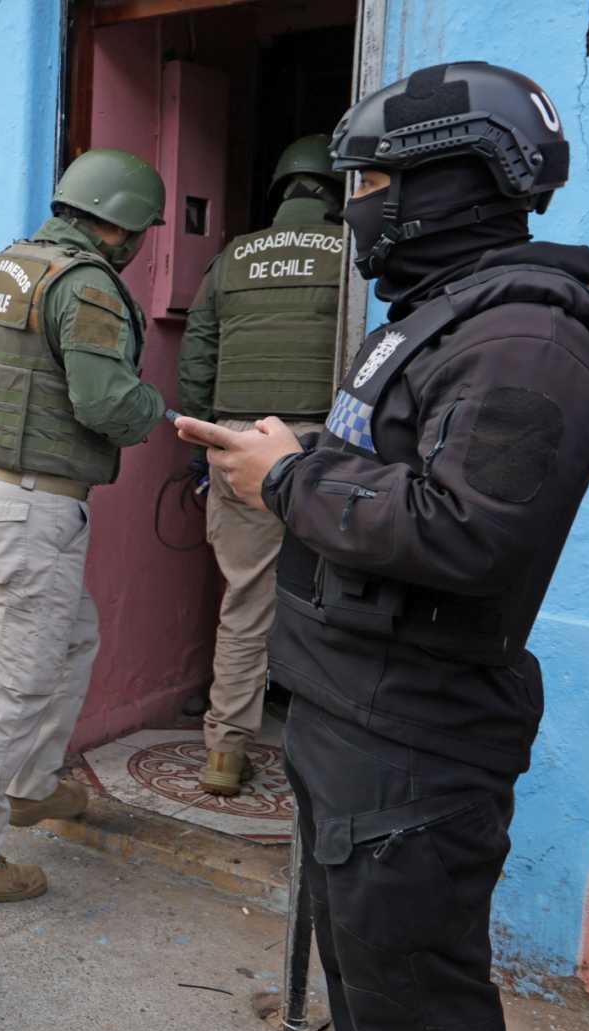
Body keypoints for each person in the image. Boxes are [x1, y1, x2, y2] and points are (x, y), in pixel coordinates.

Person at [176, 62, 589, 1031]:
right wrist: (288, 455)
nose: (357, 208)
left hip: (414, 737)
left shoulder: (525, 342)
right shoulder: (436, 316)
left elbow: (468, 529)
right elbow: (386, 461)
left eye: (374, 184)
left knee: (415, 1016)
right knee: (368, 994)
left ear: (449, 182)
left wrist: (288, 481)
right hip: (354, 711)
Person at [0, 149, 167, 903]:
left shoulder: (5, 267)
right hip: (32, 508)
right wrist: (163, 412)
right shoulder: (86, 284)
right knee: (14, 686)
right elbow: (106, 403)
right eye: (142, 231)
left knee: (71, 637)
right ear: (122, 225)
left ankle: (29, 785)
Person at [177, 135, 346, 795]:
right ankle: (326, 758)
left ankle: (225, 751)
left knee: (246, 601)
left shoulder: (232, 259)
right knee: (338, 604)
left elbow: (197, 356)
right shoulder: (350, 254)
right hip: (325, 447)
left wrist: (209, 441)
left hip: (240, 442)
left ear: (281, 189)